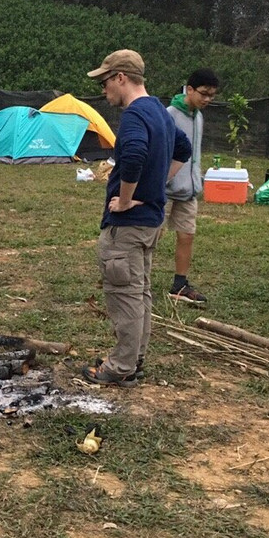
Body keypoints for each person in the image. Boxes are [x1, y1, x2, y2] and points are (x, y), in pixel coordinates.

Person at [81, 50, 192, 387]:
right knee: (139, 290)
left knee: (124, 293)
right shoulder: (158, 109)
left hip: (130, 225)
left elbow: (132, 155)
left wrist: (126, 199)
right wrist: (157, 184)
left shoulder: (134, 115)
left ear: (121, 78)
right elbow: (183, 149)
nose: (103, 90)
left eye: (105, 82)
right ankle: (135, 358)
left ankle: (120, 367)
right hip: (151, 220)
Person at [161, 69, 220, 305]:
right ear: (189, 89)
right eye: (204, 94)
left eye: (212, 96)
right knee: (150, 237)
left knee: (187, 235)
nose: (207, 99)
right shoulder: (170, 115)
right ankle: (138, 281)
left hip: (190, 189)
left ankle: (180, 284)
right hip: (165, 189)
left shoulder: (198, 116)